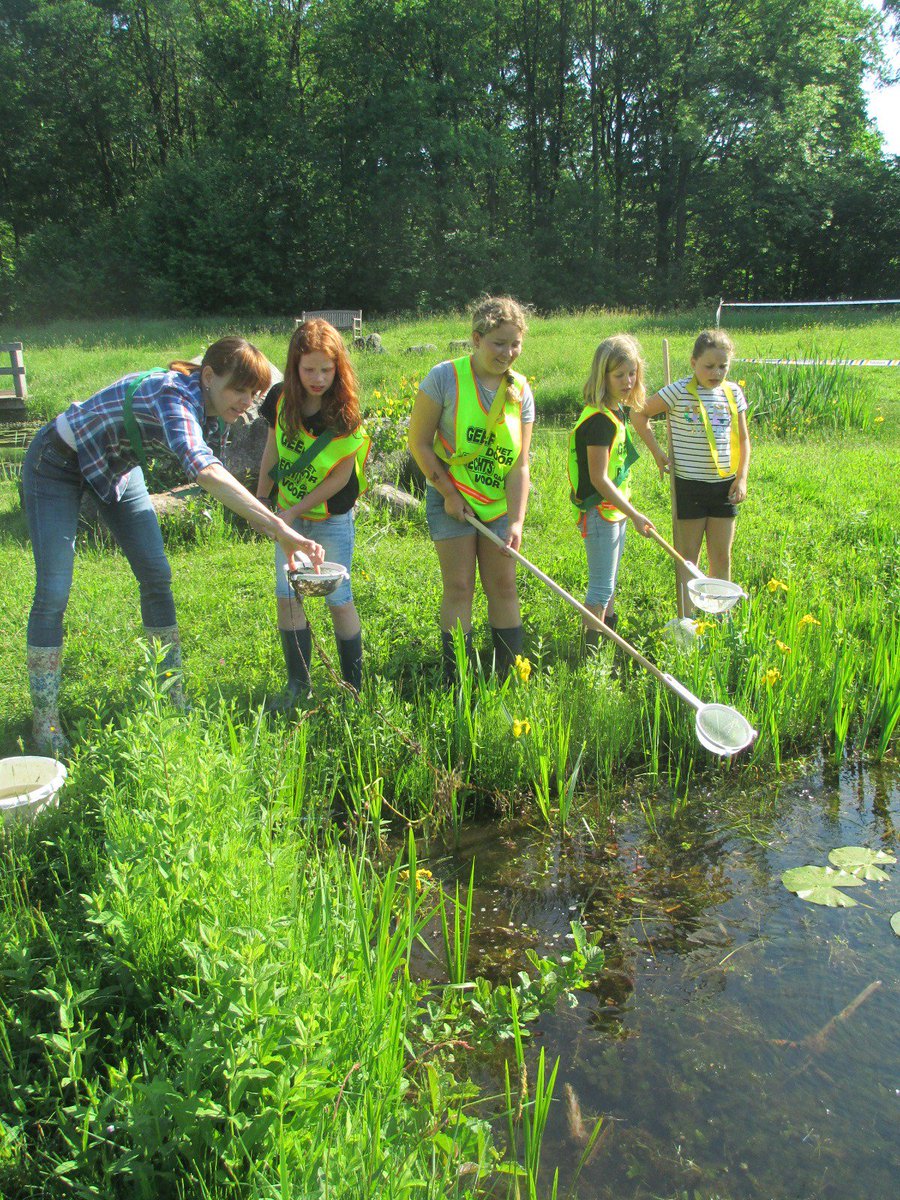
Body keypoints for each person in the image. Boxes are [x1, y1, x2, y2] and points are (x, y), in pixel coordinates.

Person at [22, 337, 324, 756]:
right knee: (54, 590)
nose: (247, 403)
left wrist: (266, 518)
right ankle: (45, 722)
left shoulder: (214, 411)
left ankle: (171, 694)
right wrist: (278, 527)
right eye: (240, 390)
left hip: (116, 469)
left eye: (253, 394)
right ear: (208, 376)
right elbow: (204, 470)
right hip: (56, 462)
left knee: (157, 577)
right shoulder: (173, 396)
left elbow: (213, 470)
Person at [407, 296, 534, 681]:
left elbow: (520, 464)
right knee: (460, 587)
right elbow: (419, 443)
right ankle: (456, 677)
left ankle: (510, 674)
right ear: (476, 339)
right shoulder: (443, 378)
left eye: (515, 344)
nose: (507, 352)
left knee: (503, 586)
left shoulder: (522, 390)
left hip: (498, 506)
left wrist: (516, 521)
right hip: (451, 498)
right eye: (498, 343)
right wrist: (448, 492)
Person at [256, 320, 369, 703]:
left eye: (326, 369)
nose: (318, 378)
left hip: (332, 517)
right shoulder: (280, 399)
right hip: (288, 512)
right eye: (309, 369)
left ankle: (354, 688)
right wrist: (262, 503)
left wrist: (291, 513)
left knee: (339, 598)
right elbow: (272, 450)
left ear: (339, 368)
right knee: (287, 595)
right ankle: (298, 686)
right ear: (294, 367)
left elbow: (340, 476)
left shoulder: (346, 412)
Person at [631, 329, 751, 600]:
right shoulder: (678, 391)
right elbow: (638, 414)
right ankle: (689, 617)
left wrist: (741, 478)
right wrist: (657, 453)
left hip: (724, 486)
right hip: (689, 486)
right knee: (688, 558)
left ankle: (719, 616)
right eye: (709, 366)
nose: (716, 372)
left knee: (721, 556)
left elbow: (743, 439)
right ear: (693, 363)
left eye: (723, 366)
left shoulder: (733, 393)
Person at [567, 334, 655, 653]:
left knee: (611, 584)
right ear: (602, 376)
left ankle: (608, 644)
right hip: (600, 512)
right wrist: (634, 515)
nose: (628, 381)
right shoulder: (600, 421)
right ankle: (593, 657)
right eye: (619, 375)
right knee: (601, 588)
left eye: (632, 373)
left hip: (615, 510)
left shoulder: (618, 411)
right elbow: (599, 479)